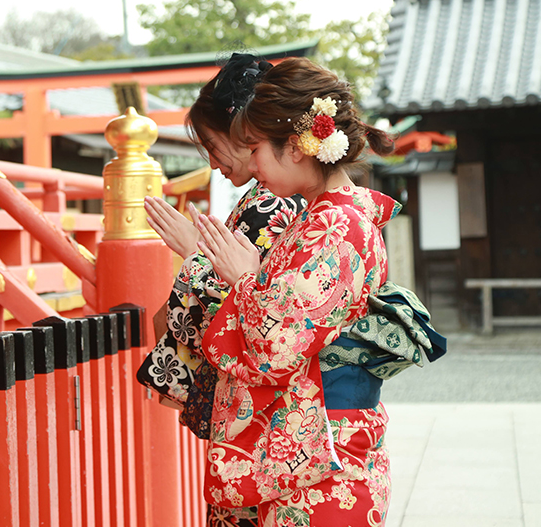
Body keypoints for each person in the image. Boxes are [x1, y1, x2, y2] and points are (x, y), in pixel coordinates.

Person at [194, 56, 402, 526]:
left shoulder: (340, 225)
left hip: (324, 464)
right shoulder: (318, 217)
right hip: (308, 452)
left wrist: (244, 278)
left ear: (296, 147)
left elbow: (277, 347)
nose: (249, 163)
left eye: (254, 148)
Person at [138, 52, 307, 527]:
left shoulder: (268, 204)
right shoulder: (272, 199)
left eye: (216, 147)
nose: (213, 164)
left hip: (262, 408)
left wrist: (196, 257)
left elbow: (243, 305)